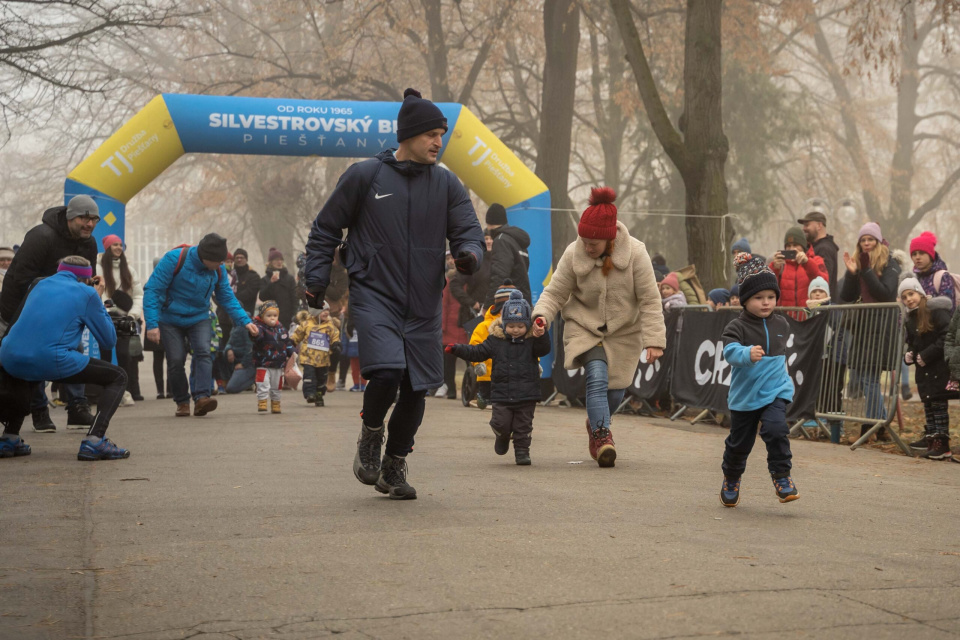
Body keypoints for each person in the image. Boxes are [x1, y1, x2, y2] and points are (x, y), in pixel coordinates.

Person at [304, 87, 484, 500]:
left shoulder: (445, 183)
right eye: (431, 134)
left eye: (442, 134)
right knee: (386, 371)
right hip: (374, 293)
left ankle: (394, 464)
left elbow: (467, 230)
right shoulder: (365, 176)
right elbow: (326, 228)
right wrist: (315, 279)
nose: (438, 142)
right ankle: (371, 433)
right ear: (407, 136)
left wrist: (469, 254)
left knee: (417, 386)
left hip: (423, 300)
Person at [533, 187, 666, 467]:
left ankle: (594, 424)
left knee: (616, 390)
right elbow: (555, 292)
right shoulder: (573, 252)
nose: (587, 246)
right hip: (584, 325)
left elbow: (650, 300)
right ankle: (604, 437)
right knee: (596, 375)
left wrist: (654, 339)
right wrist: (542, 315)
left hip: (624, 331)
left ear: (610, 239)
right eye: (583, 240)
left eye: (593, 242)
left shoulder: (637, 254)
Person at [0, 257, 130, 461]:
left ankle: (9, 437)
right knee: (118, 376)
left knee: (32, 369)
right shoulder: (86, 292)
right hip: (50, 359)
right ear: (87, 279)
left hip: (9, 356)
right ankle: (95, 440)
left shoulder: (39, 284)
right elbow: (108, 340)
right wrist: (97, 297)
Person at [0, 195, 101, 432]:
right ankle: (39, 410)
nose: (89, 224)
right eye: (83, 218)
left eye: (93, 219)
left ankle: (77, 408)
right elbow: (20, 278)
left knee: (74, 350)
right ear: (69, 216)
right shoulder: (41, 236)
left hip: (59, 311)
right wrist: (59, 288)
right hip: (20, 308)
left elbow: (86, 278)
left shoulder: (90, 243)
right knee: (32, 358)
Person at [143, 233, 259, 417]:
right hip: (170, 318)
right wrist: (152, 324)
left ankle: (202, 398)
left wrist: (245, 321)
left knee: (204, 352)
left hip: (199, 316)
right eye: (218, 262)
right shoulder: (174, 259)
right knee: (175, 360)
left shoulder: (218, 270)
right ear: (205, 258)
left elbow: (226, 297)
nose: (221, 265)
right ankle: (182, 401)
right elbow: (153, 290)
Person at [719, 253, 798, 507]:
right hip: (745, 396)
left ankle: (782, 477)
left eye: (771, 297)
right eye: (758, 298)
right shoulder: (737, 326)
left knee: (776, 429)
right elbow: (729, 352)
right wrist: (746, 354)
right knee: (739, 444)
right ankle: (731, 477)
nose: (766, 303)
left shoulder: (782, 324)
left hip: (775, 390)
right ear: (745, 300)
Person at [446, 290, 550, 465]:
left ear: (527, 325)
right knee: (501, 422)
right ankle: (501, 436)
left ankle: (522, 452)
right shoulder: (496, 340)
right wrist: (457, 349)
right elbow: (478, 352)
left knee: (523, 426)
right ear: (504, 325)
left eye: (520, 326)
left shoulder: (532, 341)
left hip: (527, 394)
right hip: (502, 394)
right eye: (511, 326)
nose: (515, 330)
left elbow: (543, 350)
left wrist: (542, 335)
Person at [839, 222, 902, 442]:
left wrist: (866, 270)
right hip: (863, 326)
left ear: (878, 241)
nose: (866, 244)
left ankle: (875, 423)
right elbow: (847, 295)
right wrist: (851, 273)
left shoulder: (891, 263)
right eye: (863, 240)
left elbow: (885, 293)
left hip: (881, 326)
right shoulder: (860, 261)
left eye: (870, 239)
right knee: (866, 377)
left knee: (869, 378)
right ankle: (880, 423)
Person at [899, 278, 957, 460]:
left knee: (939, 404)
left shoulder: (936, 312)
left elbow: (946, 336)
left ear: (921, 293)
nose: (909, 299)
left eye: (911, 294)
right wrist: (909, 354)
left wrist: (927, 354)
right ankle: (932, 439)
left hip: (938, 368)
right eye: (904, 297)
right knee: (929, 405)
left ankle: (943, 443)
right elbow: (914, 343)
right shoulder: (911, 319)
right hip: (924, 371)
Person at [100, 234, 144, 400]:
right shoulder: (98, 269)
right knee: (105, 355)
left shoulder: (130, 270)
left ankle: (124, 391)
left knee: (125, 356)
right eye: (114, 245)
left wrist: (132, 314)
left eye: (120, 245)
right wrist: (112, 308)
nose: (118, 247)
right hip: (105, 318)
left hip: (128, 319)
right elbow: (99, 294)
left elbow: (138, 295)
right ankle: (105, 391)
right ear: (107, 248)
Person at [806, 276, 847, 443]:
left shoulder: (833, 309)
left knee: (833, 390)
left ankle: (836, 424)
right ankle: (821, 423)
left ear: (827, 293)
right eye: (814, 291)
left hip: (835, 357)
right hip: (817, 357)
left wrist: (822, 309)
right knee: (819, 390)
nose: (817, 294)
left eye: (820, 291)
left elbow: (839, 330)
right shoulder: (807, 310)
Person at [468, 281, 518, 409]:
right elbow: (475, 344)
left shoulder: (520, 327)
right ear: (498, 308)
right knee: (487, 388)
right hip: (489, 370)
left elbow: (529, 346)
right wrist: (477, 363)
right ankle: (484, 397)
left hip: (510, 371)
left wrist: (535, 362)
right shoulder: (485, 326)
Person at [483, 204, 531, 309]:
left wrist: (488, 306)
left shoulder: (501, 240)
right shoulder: (516, 240)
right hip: (523, 302)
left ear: (489, 223)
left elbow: (499, 276)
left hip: (507, 305)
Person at [291, 306, 341, 406]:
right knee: (309, 376)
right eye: (322, 310)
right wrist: (291, 343)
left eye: (327, 310)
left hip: (323, 359)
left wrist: (336, 344)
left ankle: (319, 395)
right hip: (308, 358)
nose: (326, 312)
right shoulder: (306, 324)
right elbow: (297, 335)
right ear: (314, 312)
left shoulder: (330, 326)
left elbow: (335, 336)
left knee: (322, 378)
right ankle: (310, 394)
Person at [250, 300, 294, 414]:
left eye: (275, 315)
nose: (272, 318)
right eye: (268, 315)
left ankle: (276, 403)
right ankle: (262, 401)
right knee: (262, 383)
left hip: (278, 364)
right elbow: (257, 336)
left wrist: (291, 353)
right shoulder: (259, 327)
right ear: (262, 316)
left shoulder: (281, 329)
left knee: (277, 385)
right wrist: (254, 333)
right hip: (263, 363)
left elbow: (287, 343)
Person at [769, 226, 828, 310]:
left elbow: (824, 282)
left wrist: (807, 263)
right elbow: (768, 288)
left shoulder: (816, 260)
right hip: (786, 318)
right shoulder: (781, 264)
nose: (792, 249)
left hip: (809, 316)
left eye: (795, 245)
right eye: (788, 246)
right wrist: (774, 269)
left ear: (803, 246)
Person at [437, 251, 466, 399]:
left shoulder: (469, 279)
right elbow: (444, 304)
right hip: (450, 326)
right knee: (448, 362)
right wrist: (442, 326)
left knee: (471, 360)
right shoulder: (447, 281)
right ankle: (451, 390)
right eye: (448, 258)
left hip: (466, 325)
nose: (450, 261)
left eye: (452, 258)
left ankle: (469, 389)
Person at [798, 198, 840, 296]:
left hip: (822, 306)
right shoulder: (816, 247)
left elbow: (824, 281)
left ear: (819, 226)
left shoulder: (824, 249)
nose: (804, 229)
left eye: (807, 225)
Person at [909, 232, 955, 310]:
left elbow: (948, 309)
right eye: (914, 254)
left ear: (930, 255)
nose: (917, 257)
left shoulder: (942, 276)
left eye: (921, 253)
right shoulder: (912, 279)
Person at [260, 248, 299, 327]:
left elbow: (295, 298)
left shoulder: (289, 278)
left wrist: (295, 315)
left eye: (281, 260)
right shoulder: (265, 279)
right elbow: (262, 297)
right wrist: (271, 283)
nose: (279, 262)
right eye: (276, 260)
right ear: (270, 262)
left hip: (287, 318)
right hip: (271, 318)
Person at [224, 322, 256, 394]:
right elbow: (229, 343)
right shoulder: (235, 325)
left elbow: (251, 349)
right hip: (236, 362)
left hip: (247, 364)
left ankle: (255, 378)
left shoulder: (246, 326)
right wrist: (229, 349)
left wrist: (243, 364)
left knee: (231, 388)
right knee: (223, 354)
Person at [231, 248, 261, 315]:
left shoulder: (254, 276)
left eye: (242, 257)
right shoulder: (229, 275)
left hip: (246, 313)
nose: (239, 260)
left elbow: (250, 293)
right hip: (227, 315)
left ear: (246, 259)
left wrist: (231, 298)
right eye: (237, 258)